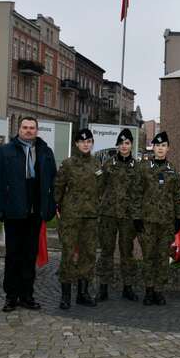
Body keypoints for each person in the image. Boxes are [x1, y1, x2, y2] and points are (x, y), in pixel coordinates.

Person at [0, 117, 57, 312]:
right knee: (13, 255)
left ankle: (27, 295)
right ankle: (11, 296)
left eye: (32, 128)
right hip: (13, 211)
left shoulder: (45, 152)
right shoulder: (5, 151)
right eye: (25, 127)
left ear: (37, 130)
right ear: (18, 129)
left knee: (29, 255)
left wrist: (50, 207)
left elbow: (53, 182)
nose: (28, 131)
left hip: (35, 212)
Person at [54, 128, 102, 310]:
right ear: (76, 143)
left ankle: (83, 293)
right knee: (68, 254)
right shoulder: (67, 164)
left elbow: (101, 188)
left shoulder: (97, 164)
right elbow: (58, 187)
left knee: (88, 255)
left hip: (90, 217)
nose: (85, 144)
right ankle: (65, 295)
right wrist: (58, 207)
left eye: (88, 141)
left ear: (91, 143)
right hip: (71, 217)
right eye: (82, 141)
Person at [134, 132, 180, 305]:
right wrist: (137, 218)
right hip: (147, 221)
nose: (160, 149)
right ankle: (148, 290)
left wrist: (178, 218)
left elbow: (178, 197)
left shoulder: (173, 171)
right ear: (153, 147)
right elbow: (137, 194)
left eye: (163, 146)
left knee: (162, 257)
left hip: (166, 223)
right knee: (148, 256)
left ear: (168, 148)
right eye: (158, 146)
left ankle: (158, 290)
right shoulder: (144, 169)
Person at [97, 129, 141, 302]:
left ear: (131, 145)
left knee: (126, 252)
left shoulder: (137, 167)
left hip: (127, 217)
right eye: (122, 143)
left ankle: (127, 287)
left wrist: (138, 216)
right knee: (106, 251)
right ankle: (103, 287)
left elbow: (139, 192)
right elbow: (99, 187)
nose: (124, 146)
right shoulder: (108, 164)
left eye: (127, 143)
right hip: (108, 215)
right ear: (118, 145)